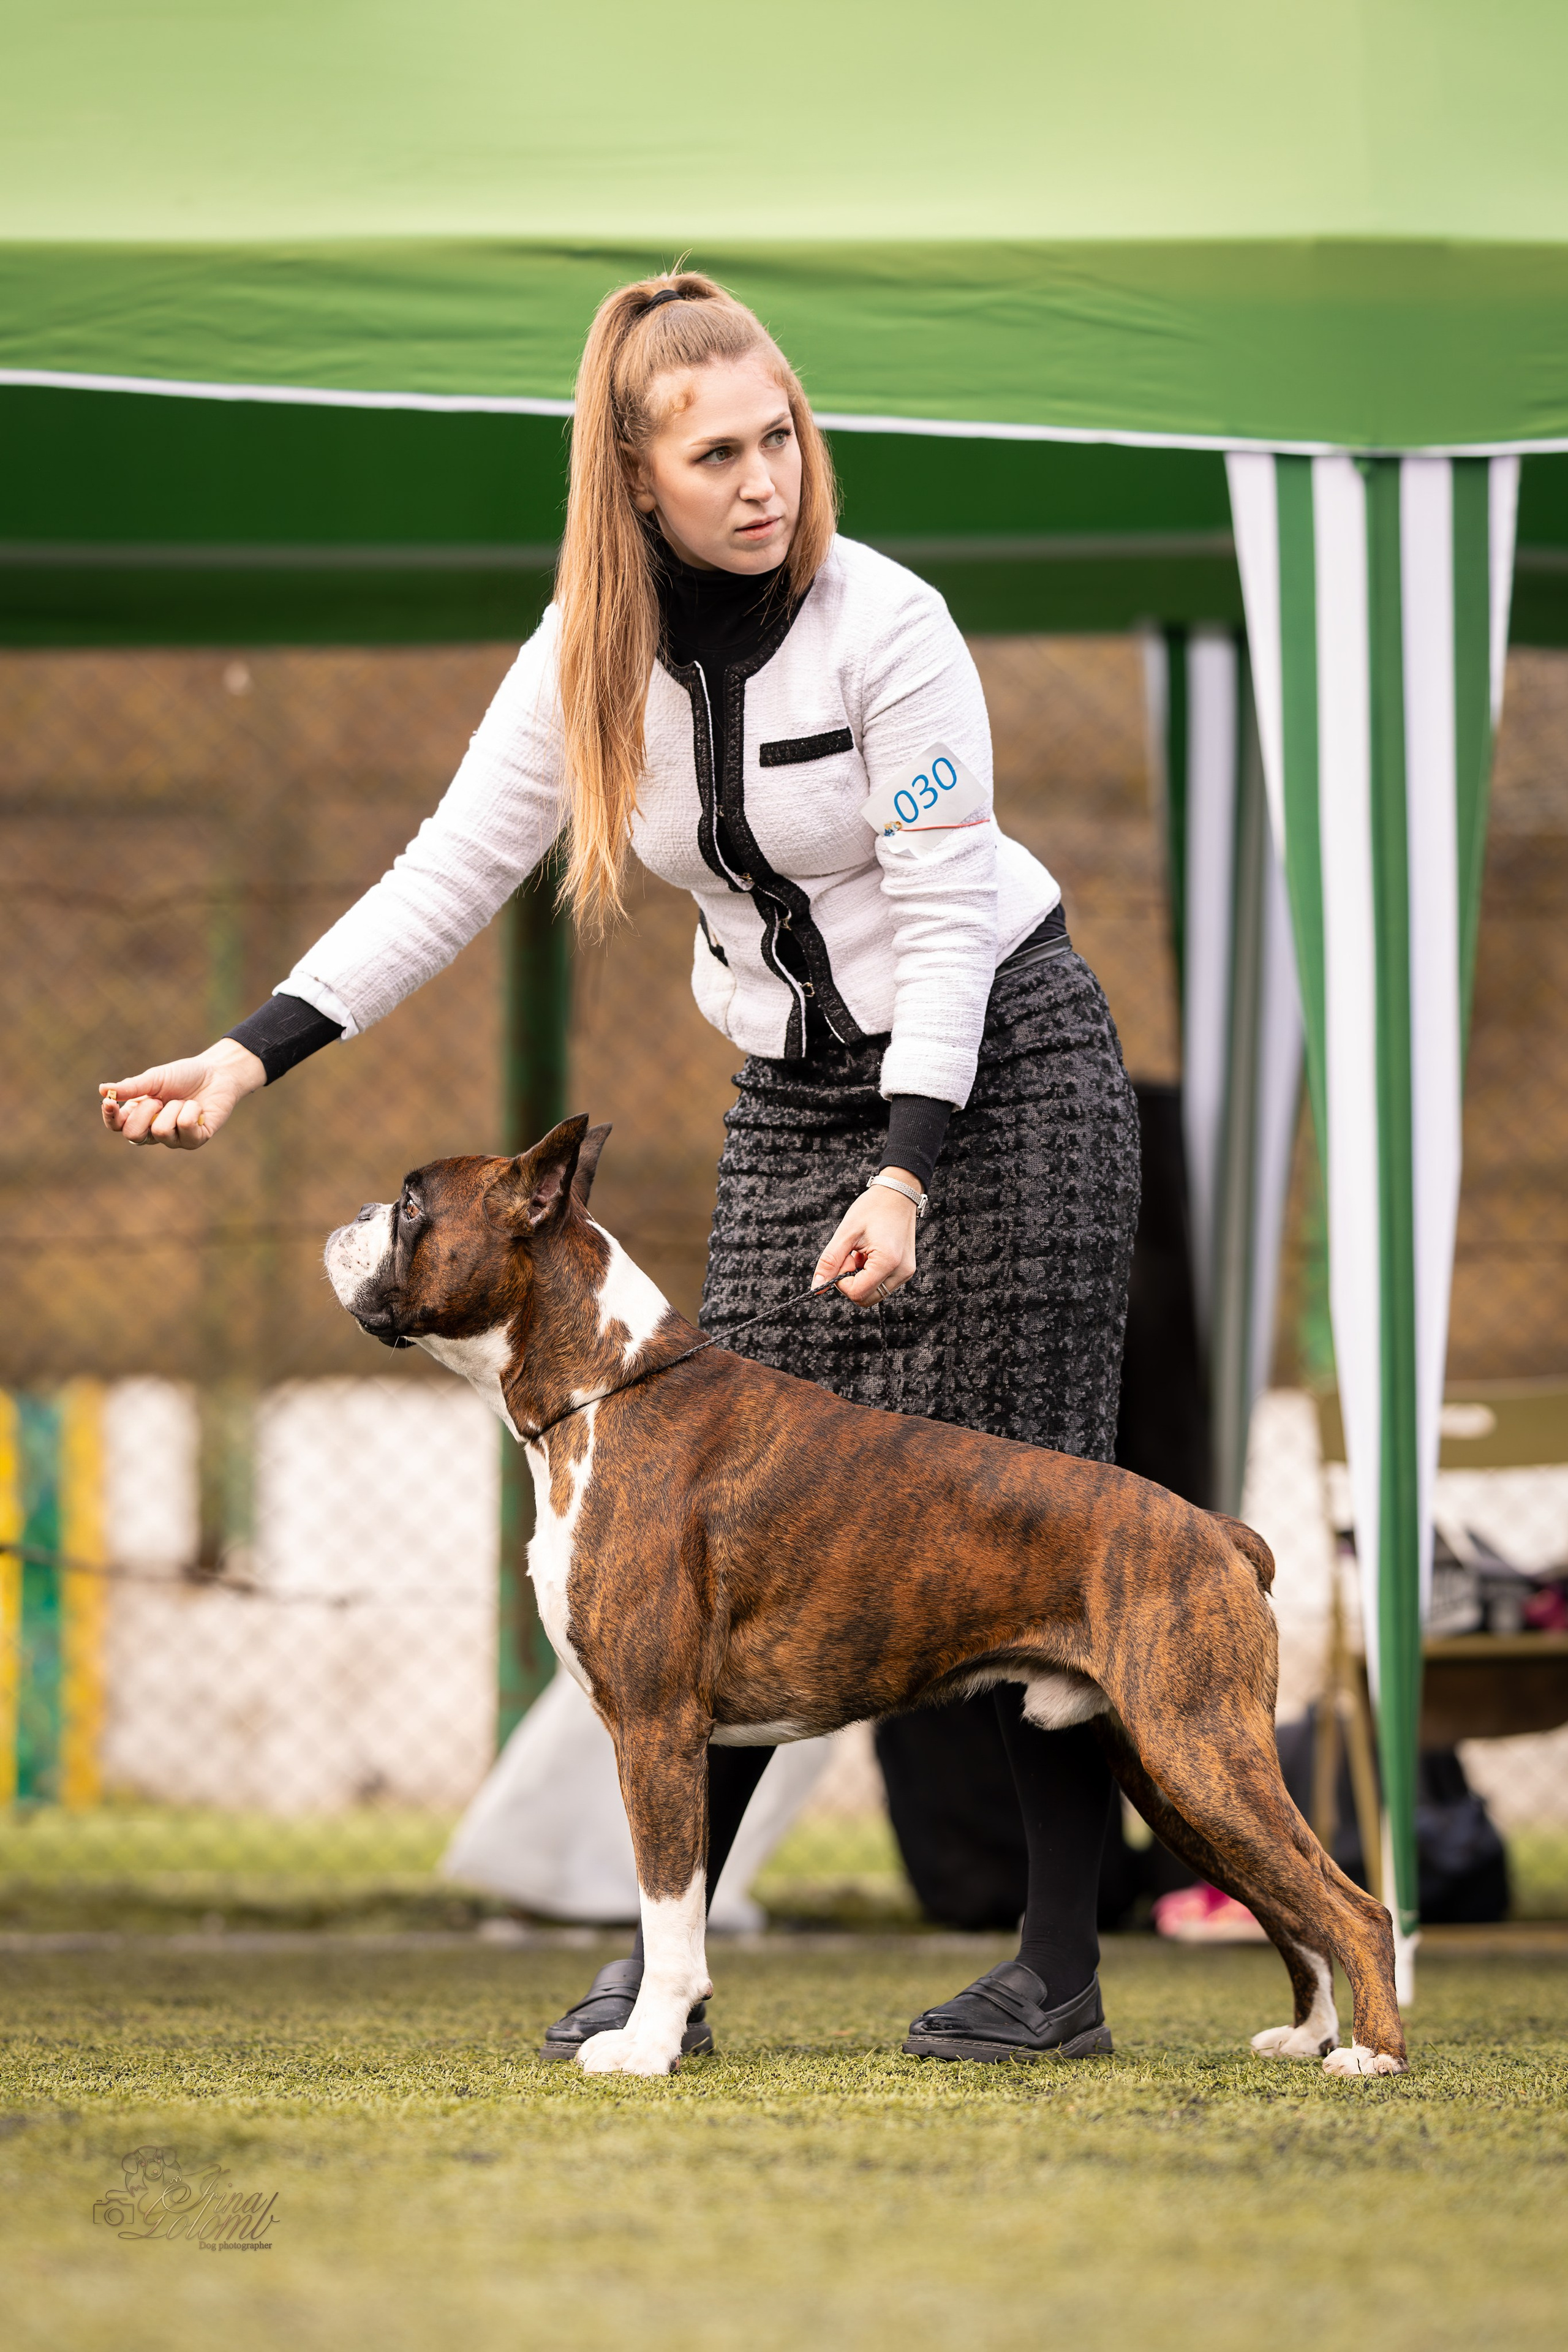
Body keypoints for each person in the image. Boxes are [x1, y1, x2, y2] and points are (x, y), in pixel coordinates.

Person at [100, 271, 1140, 2064]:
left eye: (783, 437)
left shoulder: (893, 622)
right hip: (793, 1094)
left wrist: (908, 1172)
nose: (766, 479)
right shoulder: (587, 650)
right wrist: (246, 1051)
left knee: (1031, 1503)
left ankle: (1059, 1968)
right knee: (702, 1501)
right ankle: (678, 1967)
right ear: (636, 481)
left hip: (1006, 1071)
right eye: (718, 453)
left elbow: (955, 924)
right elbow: (448, 870)